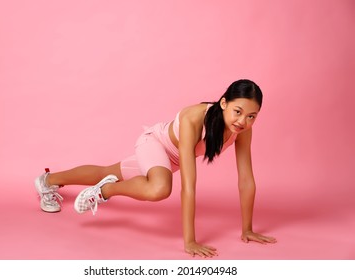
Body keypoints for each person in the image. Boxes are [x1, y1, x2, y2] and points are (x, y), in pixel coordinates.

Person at [34, 79, 277, 257]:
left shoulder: (242, 131)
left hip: (169, 160)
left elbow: (246, 180)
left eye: (251, 116)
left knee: (104, 170)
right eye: (238, 111)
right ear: (224, 103)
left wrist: (248, 229)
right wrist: (189, 241)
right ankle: (105, 191)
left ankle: (47, 180)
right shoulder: (194, 118)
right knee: (160, 188)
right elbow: (189, 186)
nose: (243, 121)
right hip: (154, 144)